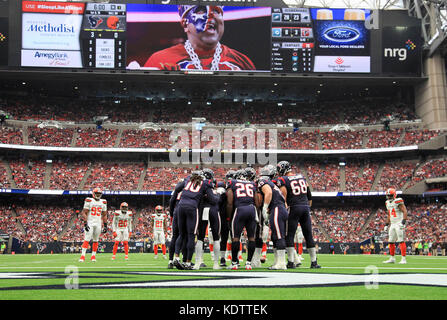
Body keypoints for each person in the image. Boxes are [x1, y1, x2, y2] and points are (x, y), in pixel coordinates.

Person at [143, 5, 256, 71]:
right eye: (201, 10)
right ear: (185, 23)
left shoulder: (243, 62)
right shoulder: (159, 60)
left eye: (216, 10)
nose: (211, 15)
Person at [276, 161, 321, 269]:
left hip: (294, 207)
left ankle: (291, 262)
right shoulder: (301, 177)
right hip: (305, 207)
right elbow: (309, 195)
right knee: (308, 235)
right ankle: (314, 262)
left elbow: (283, 197)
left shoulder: (283, 180)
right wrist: (307, 206)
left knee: (289, 235)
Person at [173, 171, 218, 270]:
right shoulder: (205, 183)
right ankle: (188, 262)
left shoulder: (187, 180)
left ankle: (176, 257)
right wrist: (217, 195)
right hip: (192, 207)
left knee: (181, 234)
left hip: (180, 206)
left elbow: (177, 189)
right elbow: (213, 200)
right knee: (191, 235)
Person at [226, 167, 259, 270]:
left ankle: (235, 263)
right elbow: (257, 202)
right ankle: (248, 263)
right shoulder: (252, 184)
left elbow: (230, 202)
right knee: (251, 237)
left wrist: (229, 217)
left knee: (235, 237)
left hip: (239, 209)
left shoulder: (233, 183)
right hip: (251, 209)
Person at [256, 164, 289, 270]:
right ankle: (277, 262)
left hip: (277, 209)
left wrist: (265, 208)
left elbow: (268, 192)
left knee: (278, 236)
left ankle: (282, 263)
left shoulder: (264, 182)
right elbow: (284, 202)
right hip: (280, 209)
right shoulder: (273, 184)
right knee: (275, 237)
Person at [194, 168, 224, 270]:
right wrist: (219, 194)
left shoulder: (197, 185)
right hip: (213, 210)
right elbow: (215, 200)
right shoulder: (209, 186)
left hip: (202, 210)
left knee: (200, 238)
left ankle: (198, 262)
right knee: (216, 238)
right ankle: (216, 263)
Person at [79, 187, 108, 262]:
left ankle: (93, 256)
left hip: (98, 223)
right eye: (97, 193)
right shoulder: (89, 200)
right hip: (90, 222)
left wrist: (105, 225)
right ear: (93, 194)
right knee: (87, 239)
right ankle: (82, 256)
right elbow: (84, 212)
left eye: (99, 194)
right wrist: (85, 223)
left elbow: (104, 215)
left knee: (96, 240)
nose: (98, 195)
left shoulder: (103, 202)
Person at [383, 188, 408, 264]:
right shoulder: (387, 203)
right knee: (390, 241)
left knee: (401, 240)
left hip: (399, 223)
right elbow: (389, 214)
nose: (389, 197)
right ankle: (392, 258)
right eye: (388, 196)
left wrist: (403, 222)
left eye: (390, 195)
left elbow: (405, 211)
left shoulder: (398, 201)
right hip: (393, 224)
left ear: (394, 195)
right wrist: (386, 224)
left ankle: (403, 259)